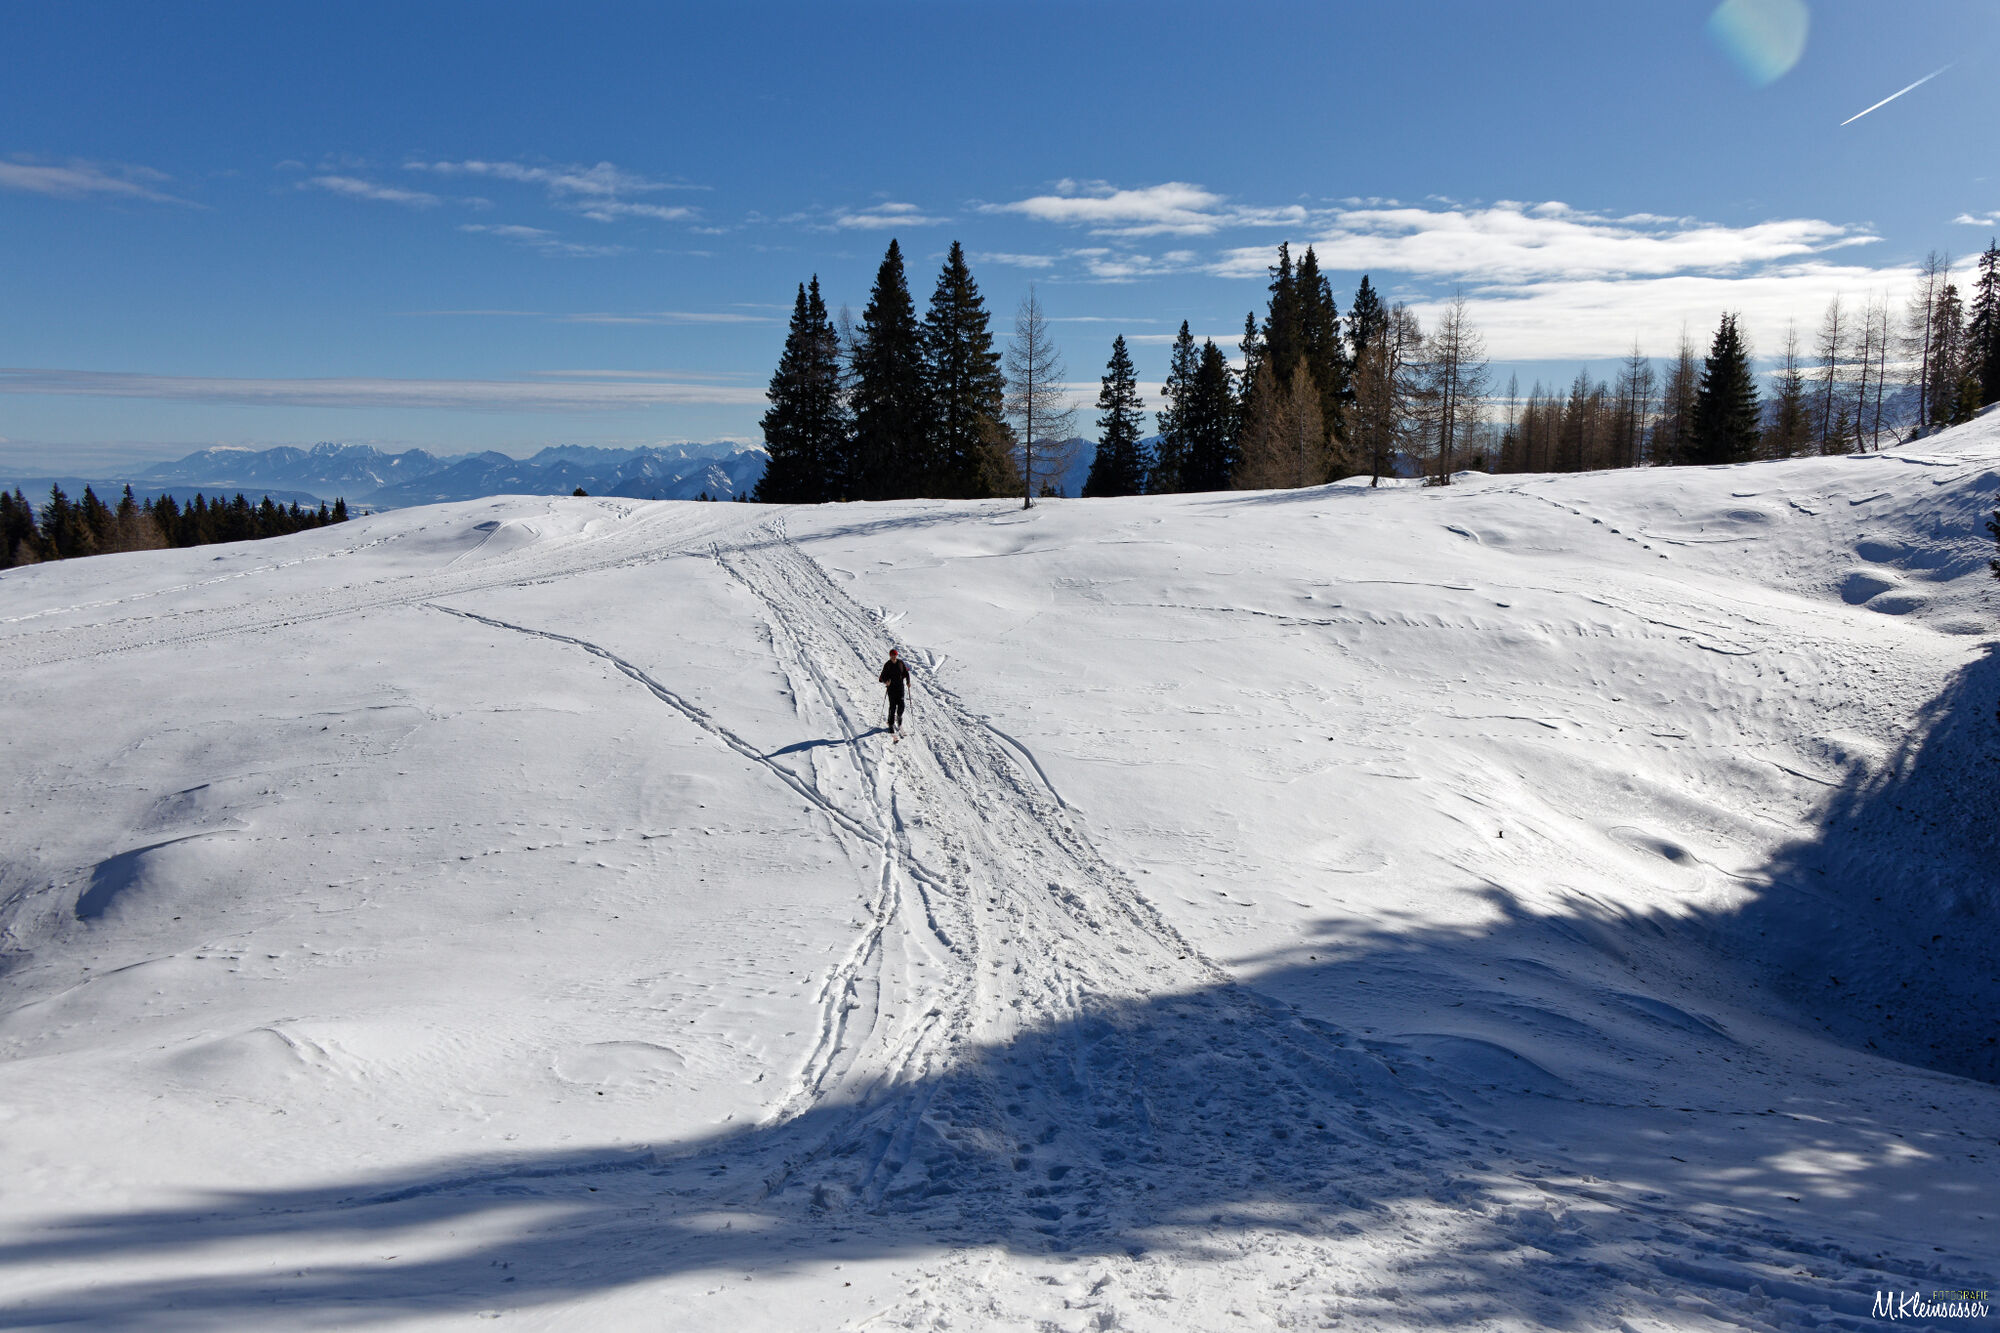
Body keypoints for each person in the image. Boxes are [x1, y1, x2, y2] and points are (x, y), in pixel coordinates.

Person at [878, 647, 911, 735]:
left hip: (900, 687)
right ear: (890, 656)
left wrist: (908, 682)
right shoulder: (887, 665)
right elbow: (882, 677)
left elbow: (906, 673)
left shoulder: (900, 663)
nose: (893, 656)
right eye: (892, 655)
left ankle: (899, 717)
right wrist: (886, 681)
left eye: (895, 655)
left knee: (901, 706)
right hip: (891, 688)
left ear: (896, 655)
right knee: (892, 707)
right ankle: (891, 724)